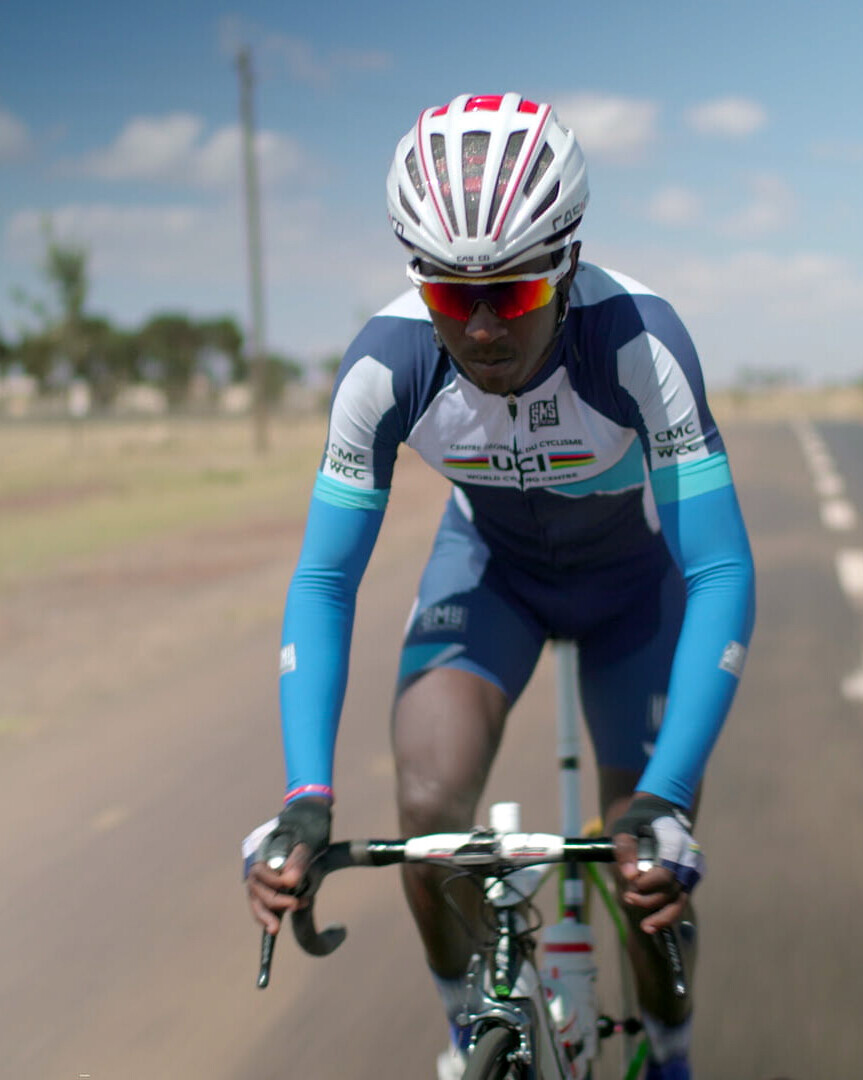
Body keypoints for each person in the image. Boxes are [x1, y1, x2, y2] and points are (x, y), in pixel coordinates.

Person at [245, 92, 755, 1080]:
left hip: (631, 593)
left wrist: (667, 795)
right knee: (428, 806)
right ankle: (467, 1034)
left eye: (511, 296)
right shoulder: (385, 364)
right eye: (449, 296)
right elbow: (323, 579)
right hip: (491, 578)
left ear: (565, 262)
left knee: (645, 867)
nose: (479, 329)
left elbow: (719, 569)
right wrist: (304, 798)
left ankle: (671, 1054)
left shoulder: (635, 340)